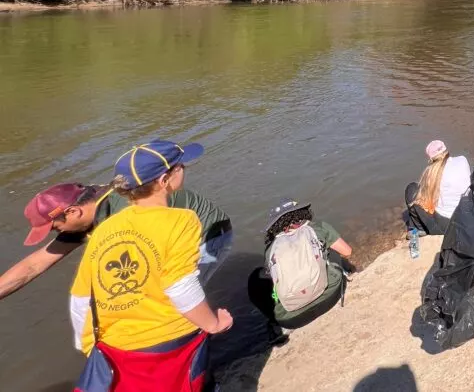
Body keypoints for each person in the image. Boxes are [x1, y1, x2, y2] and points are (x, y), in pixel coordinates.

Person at [69, 140, 233, 392]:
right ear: (164, 180)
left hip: (115, 350)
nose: (184, 169)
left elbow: (81, 298)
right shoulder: (182, 220)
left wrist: (89, 347)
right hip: (170, 345)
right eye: (180, 167)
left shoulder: (104, 231)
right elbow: (180, 286)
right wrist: (213, 324)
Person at [2, 176, 231, 302]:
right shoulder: (83, 218)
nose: (57, 233)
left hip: (207, 234)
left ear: (73, 212)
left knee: (174, 302)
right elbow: (34, 264)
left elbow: (154, 262)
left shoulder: (129, 209)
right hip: (160, 237)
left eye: (55, 227)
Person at [247, 199, 352, 338]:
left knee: (256, 279)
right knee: (331, 259)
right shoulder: (318, 227)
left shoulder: (271, 249)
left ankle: (277, 326)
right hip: (330, 297)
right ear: (302, 213)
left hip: (290, 319)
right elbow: (347, 251)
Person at [403, 140, 472, 236]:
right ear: (446, 150)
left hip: (445, 226)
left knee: (412, 189)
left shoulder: (430, 173)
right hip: (467, 218)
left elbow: (429, 200)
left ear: (431, 159)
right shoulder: (463, 159)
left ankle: (417, 228)